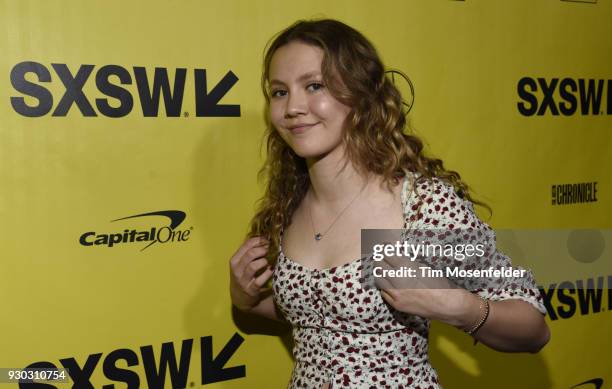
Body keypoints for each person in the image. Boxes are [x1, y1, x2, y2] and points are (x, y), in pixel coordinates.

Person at [229, 19, 550, 389]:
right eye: (279, 92)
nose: (293, 108)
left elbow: (533, 327)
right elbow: (323, 314)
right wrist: (246, 300)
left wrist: (454, 304)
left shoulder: (419, 205)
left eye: (314, 85)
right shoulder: (289, 203)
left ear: (359, 95)